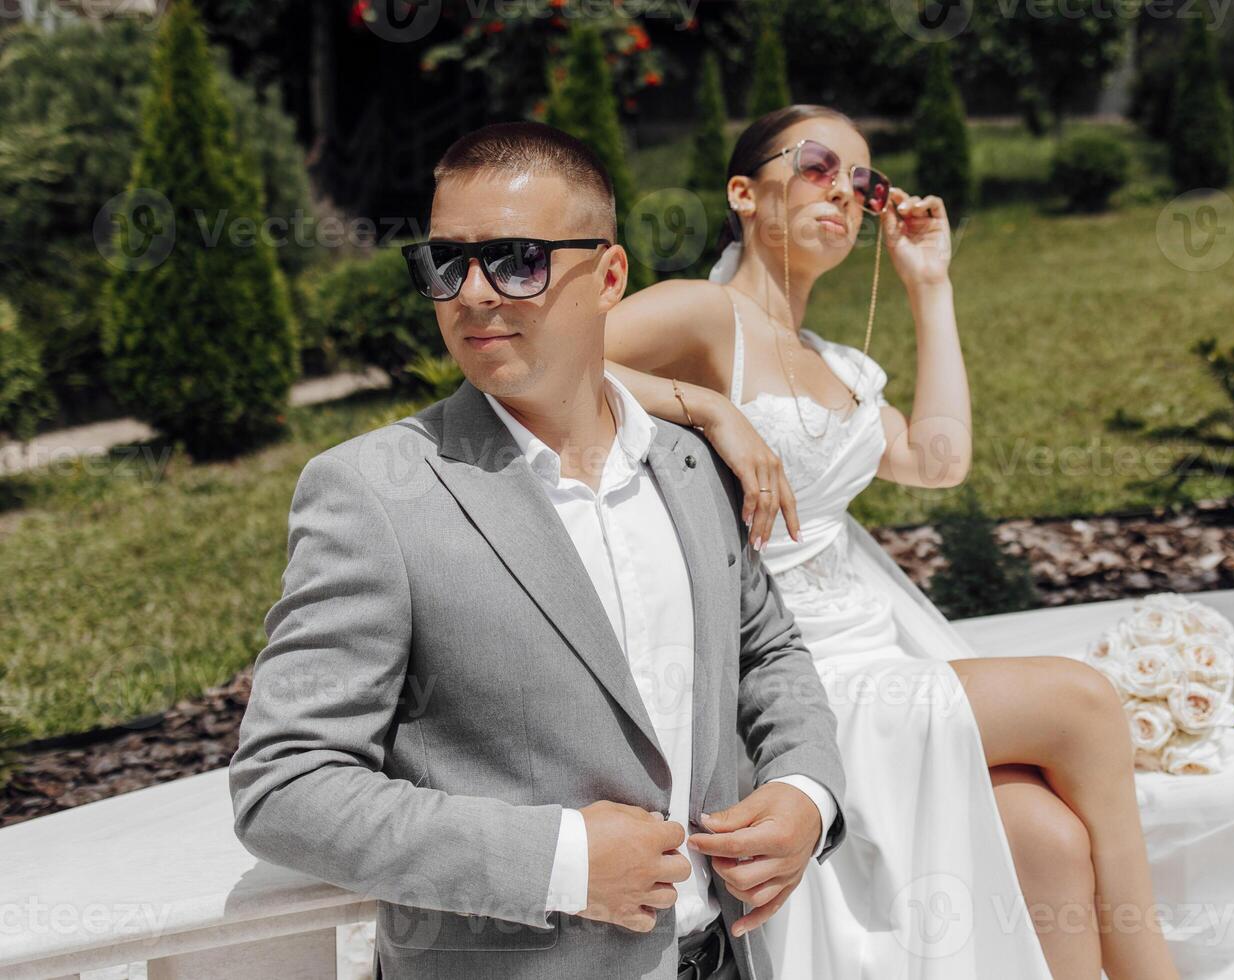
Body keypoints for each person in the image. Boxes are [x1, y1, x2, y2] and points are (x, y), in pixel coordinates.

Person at [228, 121, 849, 980]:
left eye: (518, 260)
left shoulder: (692, 460)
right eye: (446, 262)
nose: (473, 293)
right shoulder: (371, 493)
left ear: (611, 276)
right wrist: (560, 862)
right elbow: (285, 786)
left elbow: (767, 652)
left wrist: (805, 793)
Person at [605, 105, 1181, 979]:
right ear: (744, 193)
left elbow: (939, 460)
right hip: (792, 676)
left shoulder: (839, 364)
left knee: (1047, 839)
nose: (846, 189)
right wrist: (707, 405)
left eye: (865, 182)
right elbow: (553, 358)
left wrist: (930, 283)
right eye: (818, 165)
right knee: (1086, 704)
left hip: (875, 650)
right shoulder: (703, 314)